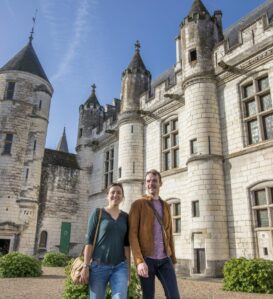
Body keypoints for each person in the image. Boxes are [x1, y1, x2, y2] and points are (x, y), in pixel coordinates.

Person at [129, 169, 180, 299]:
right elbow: (132, 235)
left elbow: (169, 234)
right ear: (145, 184)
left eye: (154, 181)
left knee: (174, 295)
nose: (151, 183)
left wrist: (173, 259)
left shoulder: (166, 206)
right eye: (148, 181)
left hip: (165, 259)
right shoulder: (138, 204)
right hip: (147, 259)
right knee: (148, 296)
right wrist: (139, 261)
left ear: (160, 183)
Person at [80, 182, 130, 299]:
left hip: (120, 267)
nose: (115, 195)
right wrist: (86, 266)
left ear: (122, 197)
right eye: (113, 192)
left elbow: (127, 246)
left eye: (119, 193)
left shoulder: (126, 217)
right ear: (107, 196)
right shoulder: (98, 213)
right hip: (98, 267)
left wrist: (128, 270)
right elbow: (89, 242)